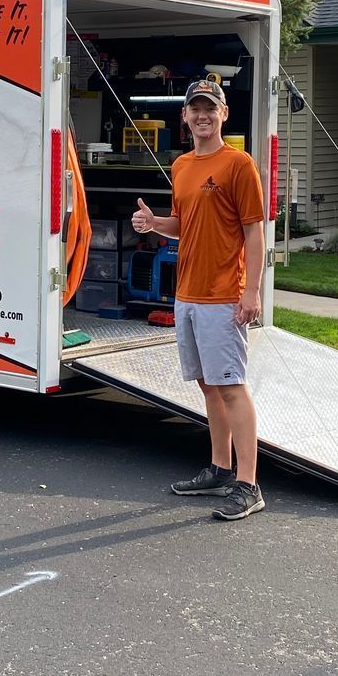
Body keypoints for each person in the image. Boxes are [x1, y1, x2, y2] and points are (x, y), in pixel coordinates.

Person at [131, 76, 268, 520]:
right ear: (185, 116)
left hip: (223, 294)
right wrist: (154, 223)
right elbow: (183, 224)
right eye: (196, 108)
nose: (203, 115)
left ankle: (249, 485)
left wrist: (251, 291)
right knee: (209, 385)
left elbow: (253, 231)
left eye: (211, 108)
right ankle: (220, 469)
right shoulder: (182, 165)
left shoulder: (238, 164)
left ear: (224, 114)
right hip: (187, 294)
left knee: (230, 385)